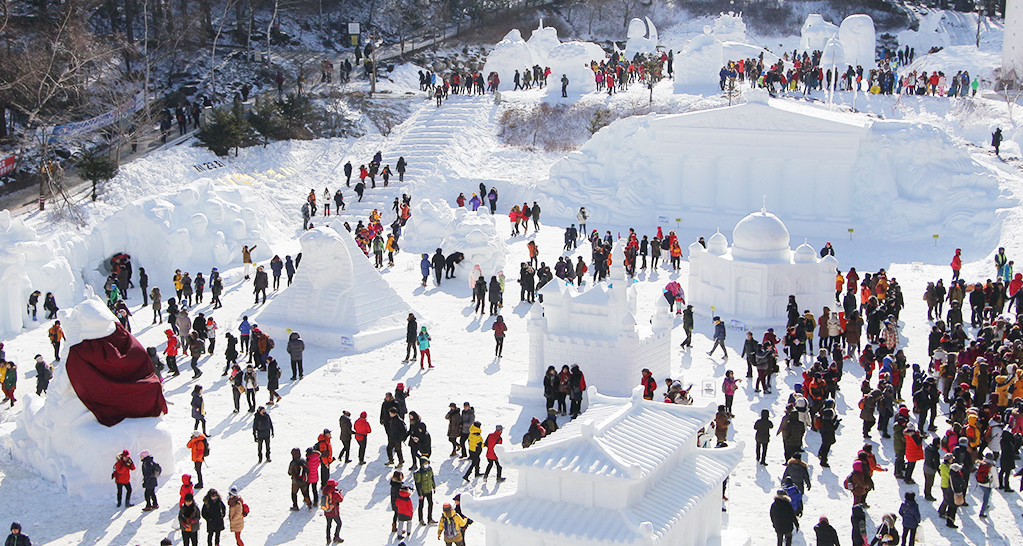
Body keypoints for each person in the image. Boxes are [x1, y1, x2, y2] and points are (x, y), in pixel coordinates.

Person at [414, 458, 436, 525]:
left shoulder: (430, 469)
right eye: (425, 463)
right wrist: (420, 494)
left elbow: (432, 478)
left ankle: (430, 519)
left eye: (427, 463)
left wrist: (434, 486)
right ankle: (421, 519)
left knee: (430, 504)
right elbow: (417, 484)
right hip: (422, 491)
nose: (427, 464)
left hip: (429, 490)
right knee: (421, 506)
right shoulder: (419, 473)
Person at [322, 479, 344, 543]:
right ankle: (336, 536)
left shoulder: (325, 491)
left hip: (327, 511)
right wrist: (340, 494)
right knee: (339, 523)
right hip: (334, 511)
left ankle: (328, 538)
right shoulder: (335, 493)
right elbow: (340, 500)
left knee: (328, 524)